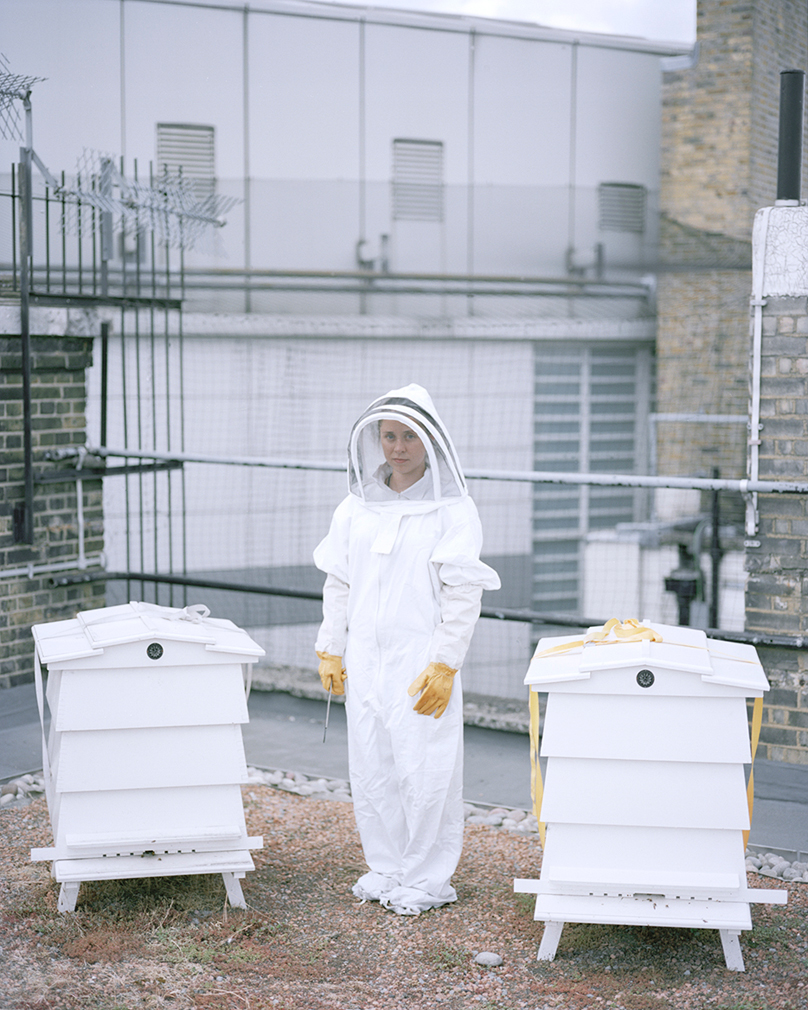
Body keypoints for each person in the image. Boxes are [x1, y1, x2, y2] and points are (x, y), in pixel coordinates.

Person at [313, 383, 500, 916]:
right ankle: (388, 867)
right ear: (376, 440)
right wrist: (332, 647)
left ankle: (426, 878)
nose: (398, 447)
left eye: (410, 436)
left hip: (421, 664)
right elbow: (338, 581)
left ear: (430, 441)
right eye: (389, 436)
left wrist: (444, 664)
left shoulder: (453, 511)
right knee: (371, 765)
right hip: (366, 663)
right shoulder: (355, 508)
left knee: (425, 768)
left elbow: (463, 593)